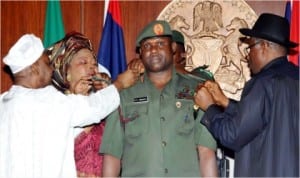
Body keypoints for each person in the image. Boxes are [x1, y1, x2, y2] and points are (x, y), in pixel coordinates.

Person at [0, 34, 139, 178]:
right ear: (35, 68)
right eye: (47, 64)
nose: (52, 70)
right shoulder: (50, 101)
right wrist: (120, 84)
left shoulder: (3, 103)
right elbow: (95, 108)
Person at [100, 20, 218, 177]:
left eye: (160, 44)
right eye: (147, 46)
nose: (154, 50)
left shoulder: (197, 90)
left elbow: (206, 152)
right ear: (140, 52)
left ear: (173, 48)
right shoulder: (124, 94)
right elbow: (112, 154)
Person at [194, 13, 299, 176]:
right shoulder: (295, 78)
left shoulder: (263, 83)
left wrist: (209, 107)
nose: (246, 55)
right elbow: (265, 120)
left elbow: (232, 135)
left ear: (264, 46)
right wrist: (226, 103)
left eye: (250, 47)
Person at [48, 31, 111, 177]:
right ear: (66, 71)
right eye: (83, 62)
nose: (92, 68)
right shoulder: (54, 106)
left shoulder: (105, 103)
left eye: (94, 64)